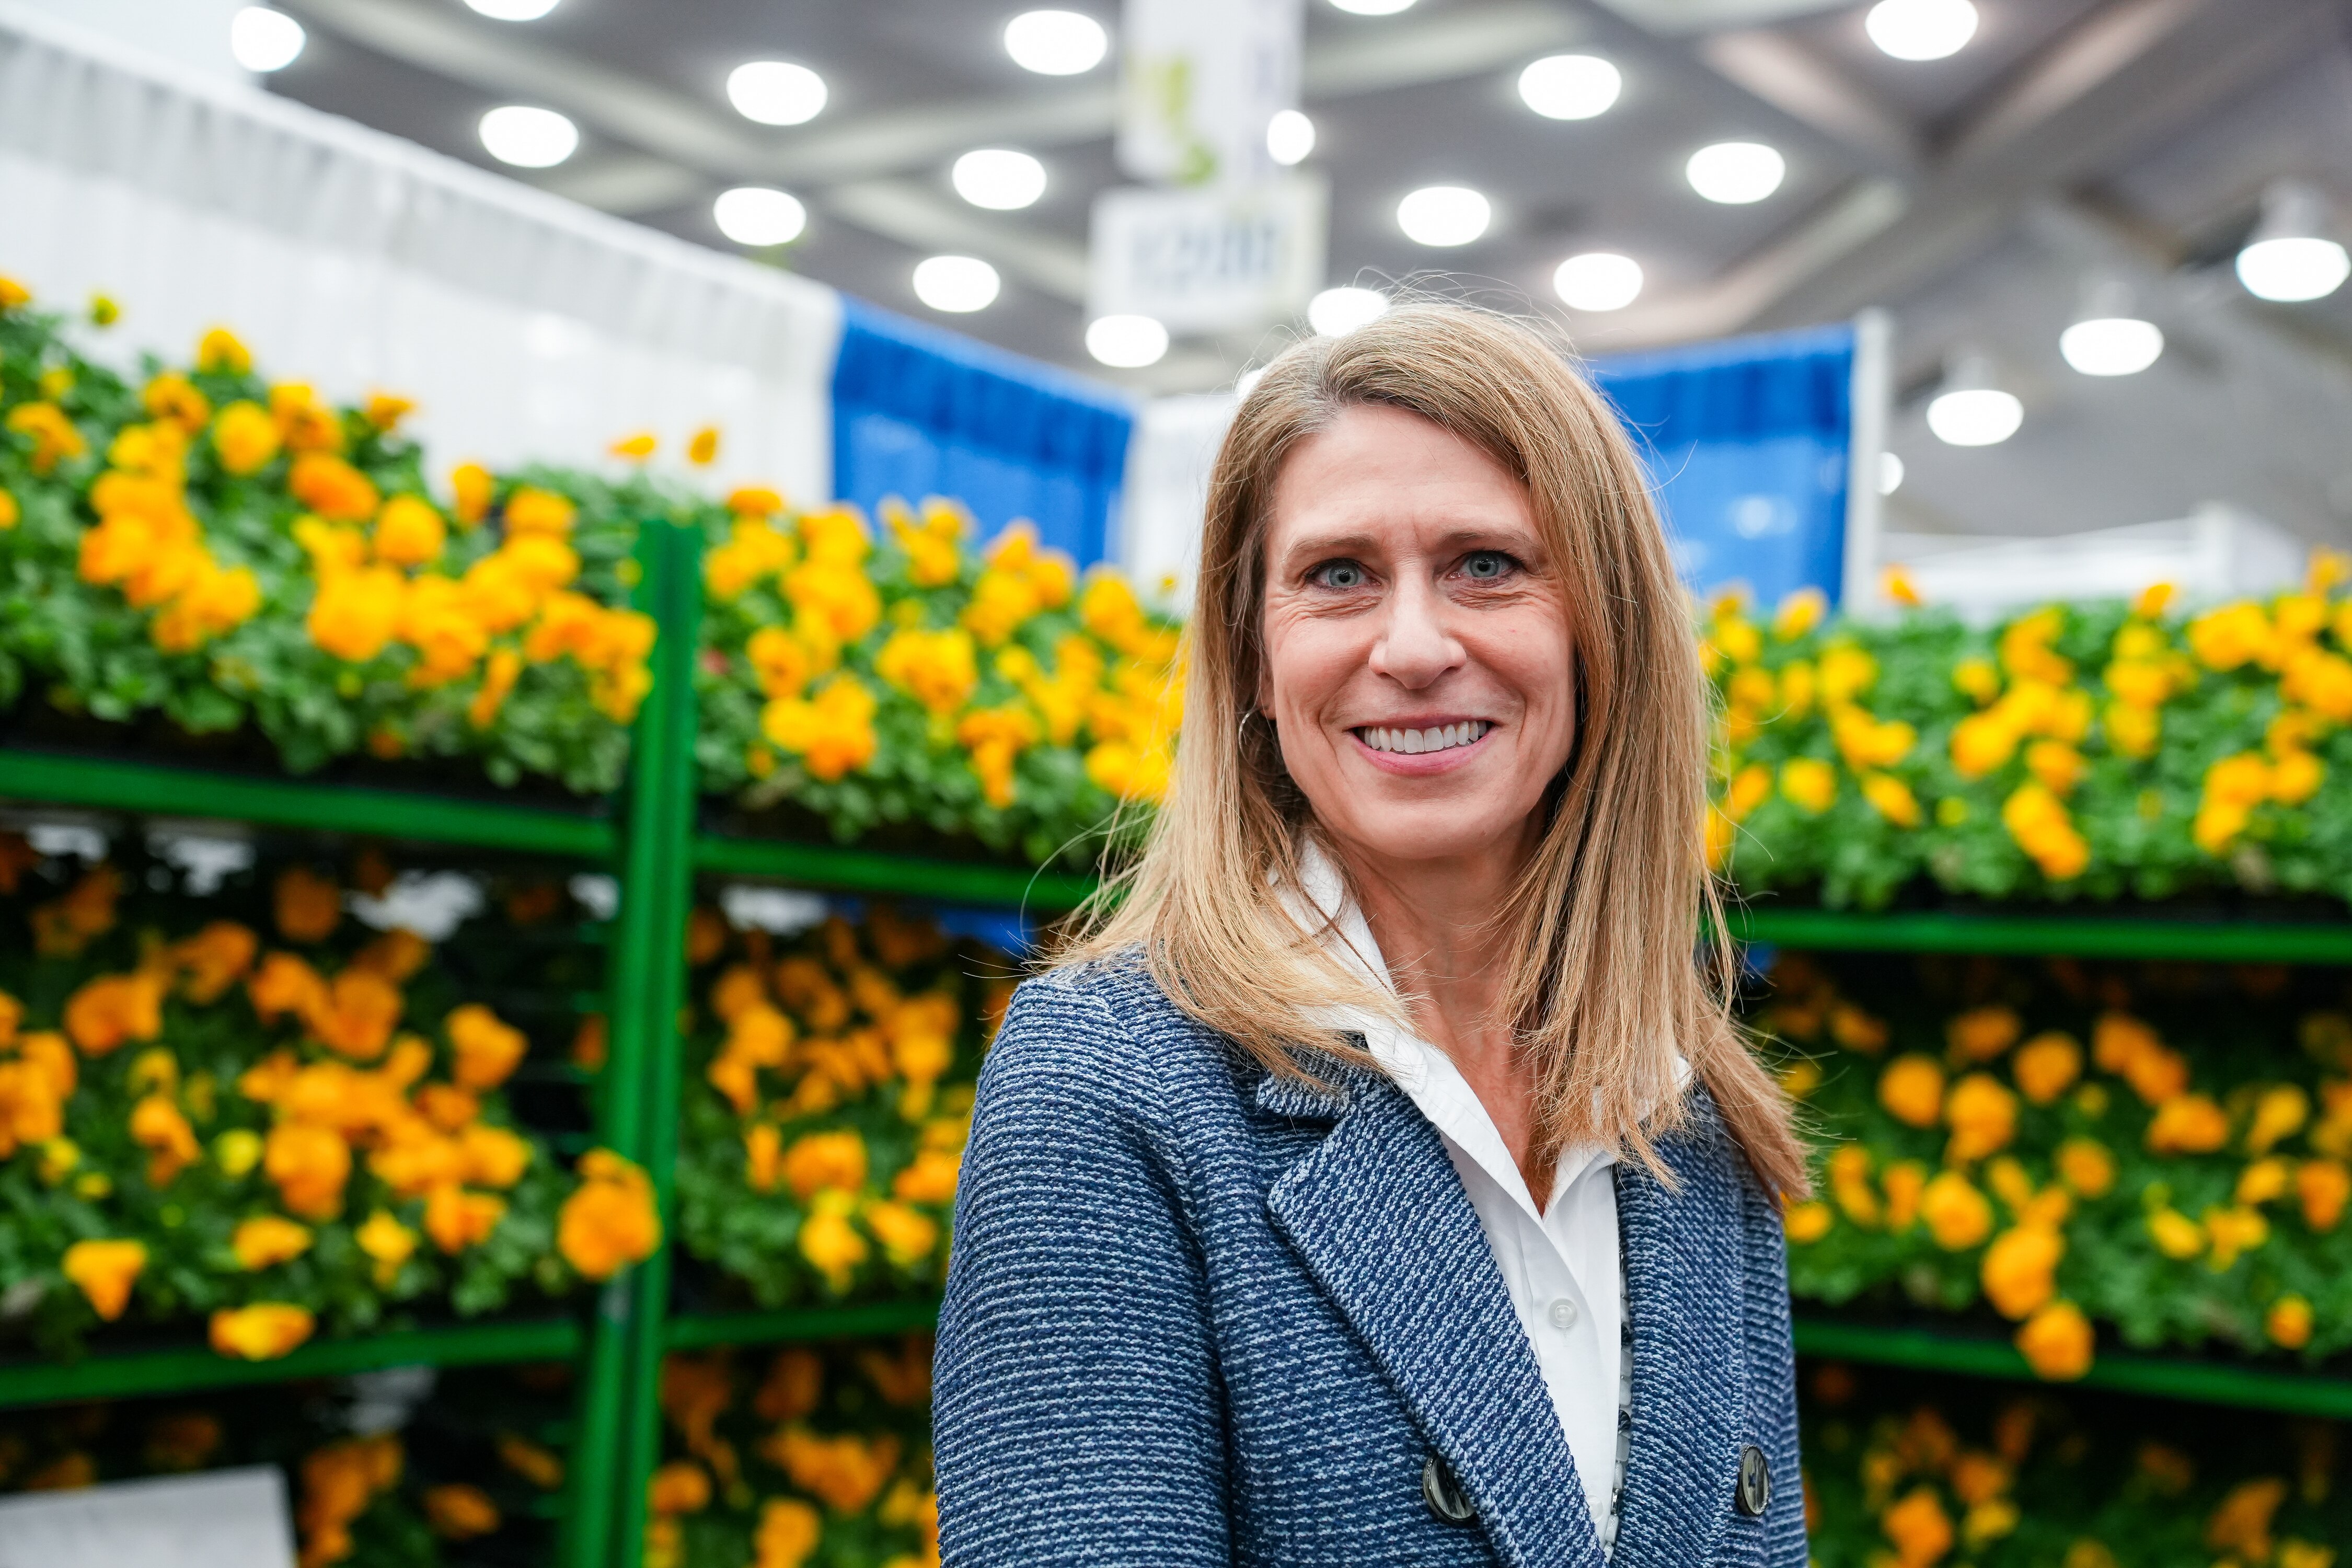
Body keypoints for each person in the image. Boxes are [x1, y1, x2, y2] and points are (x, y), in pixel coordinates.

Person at [932, 300, 1809, 1567]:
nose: (1411, 647)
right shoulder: (1107, 1082)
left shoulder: (1689, 1105)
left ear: (1604, 629)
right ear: (1253, 650)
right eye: (1339, 576)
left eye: (1487, 566)